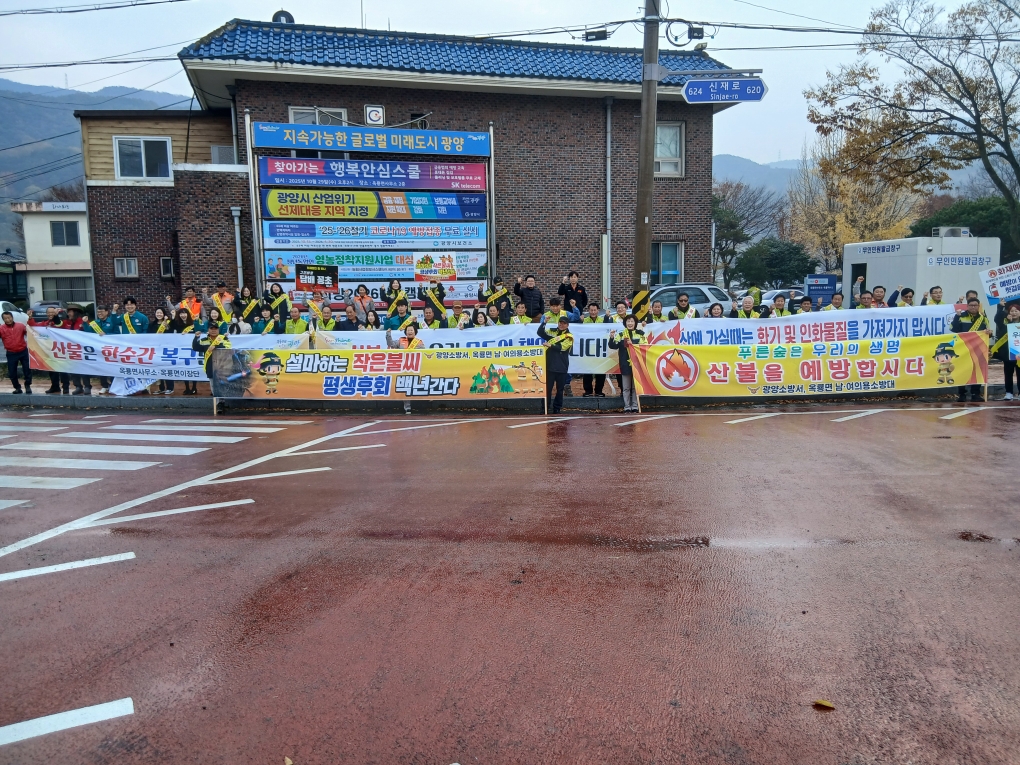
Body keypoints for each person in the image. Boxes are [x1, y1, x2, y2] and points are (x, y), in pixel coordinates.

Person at [951, 297, 991, 402]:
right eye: (971, 305)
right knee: (962, 371)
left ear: (978, 306)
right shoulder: (961, 316)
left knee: (977, 371)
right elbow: (953, 329)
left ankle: (975, 394)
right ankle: (962, 394)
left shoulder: (983, 318)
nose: (973, 307)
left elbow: (988, 333)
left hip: (978, 349)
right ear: (967, 306)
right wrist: (957, 316)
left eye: (975, 305)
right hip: (963, 349)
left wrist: (989, 333)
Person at [537, 314, 573, 414]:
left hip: (562, 366)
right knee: (547, 388)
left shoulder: (569, 336)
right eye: (560, 323)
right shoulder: (552, 331)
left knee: (560, 389)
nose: (561, 325)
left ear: (567, 325)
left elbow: (562, 347)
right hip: (549, 365)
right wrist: (544, 322)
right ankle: (545, 407)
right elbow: (540, 332)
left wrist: (550, 345)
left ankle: (557, 408)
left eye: (564, 323)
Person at [608, 315, 644, 413]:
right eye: (628, 321)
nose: (630, 323)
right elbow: (613, 346)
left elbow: (644, 347)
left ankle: (635, 406)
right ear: (625, 323)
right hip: (625, 363)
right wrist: (611, 337)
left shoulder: (641, 334)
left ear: (635, 323)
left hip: (637, 364)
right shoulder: (621, 335)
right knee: (626, 387)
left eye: (632, 321)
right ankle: (627, 406)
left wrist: (633, 343)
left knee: (635, 387)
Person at [82, 304, 120, 393]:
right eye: (98, 312)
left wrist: (107, 335)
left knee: (112, 367)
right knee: (101, 367)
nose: (100, 313)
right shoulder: (94, 323)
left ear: (107, 312)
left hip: (110, 348)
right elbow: (88, 333)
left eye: (102, 312)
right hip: (99, 349)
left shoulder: (112, 322)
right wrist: (85, 323)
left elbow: (118, 334)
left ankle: (113, 385)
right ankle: (104, 385)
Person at [386, 324, 423, 413]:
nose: (410, 332)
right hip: (404, 367)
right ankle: (407, 407)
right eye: (408, 330)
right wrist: (388, 335)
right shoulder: (401, 340)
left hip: (415, 367)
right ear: (405, 332)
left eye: (411, 330)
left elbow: (423, 354)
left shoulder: (419, 342)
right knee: (406, 386)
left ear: (415, 332)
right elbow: (391, 345)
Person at [992, 301, 1020, 400]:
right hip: (1008, 353)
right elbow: (997, 319)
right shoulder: (1005, 323)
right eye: (1012, 311)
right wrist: (1000, 307)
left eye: (1016, 311)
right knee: (1008, 373)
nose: (1014, 313)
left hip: (1019, 353)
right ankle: (1009, 392)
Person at [191, 320, 231, 386]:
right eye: (211, 328)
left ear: (218, 330)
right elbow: (195, 348)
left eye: (215, 328)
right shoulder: (203, 340)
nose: (213, 330)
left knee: (224, 387)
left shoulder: (224, 338)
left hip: (223, 367)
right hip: (210, 367)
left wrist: (216, 346)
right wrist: (196, 337)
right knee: (213, 387)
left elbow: (228, 347)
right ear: (208, 330)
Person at [581, 302, 608, 397]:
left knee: (601, 371)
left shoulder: (603, 320)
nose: (593, 312)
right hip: (588, 350)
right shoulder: (584, 321)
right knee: (587, 371)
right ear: (588, 311)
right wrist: (580, 321)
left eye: (594, 310)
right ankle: (588, 391)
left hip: (600, 349)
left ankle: (599, 391)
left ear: (598, 311)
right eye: (591, 310)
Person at [1, 310, 31, 394]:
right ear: (3, 320)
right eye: (5, 318)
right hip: (11, 353)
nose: (8, 320)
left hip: (23, 351)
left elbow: (29, 332)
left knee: (27, 370)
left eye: (9, 317)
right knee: (12, 372)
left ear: (12, 317)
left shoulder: (20, 326)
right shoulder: (1, 328)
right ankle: (17, 388)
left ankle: (28, 385)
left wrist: (30, 319)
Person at [44, 308, 72, 394]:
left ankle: (66, 387)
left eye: (53, 312)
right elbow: (34, 326)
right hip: (51, 349)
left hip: (62, 349)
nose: (50, 314)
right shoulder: (46, 323)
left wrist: (56, 317)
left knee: (63, 370)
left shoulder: (64, 322)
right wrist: (30, 318)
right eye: (49, 312)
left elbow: (59, 323)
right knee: (52, 369)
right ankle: (55, 386)